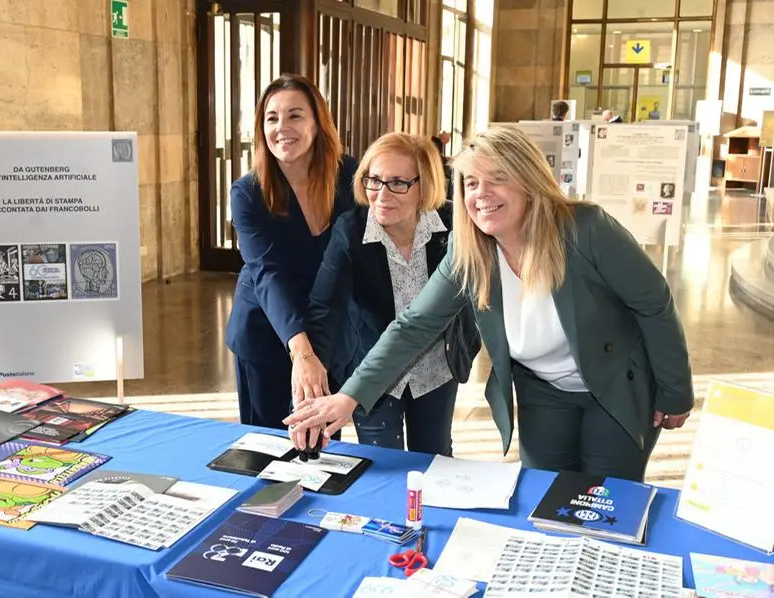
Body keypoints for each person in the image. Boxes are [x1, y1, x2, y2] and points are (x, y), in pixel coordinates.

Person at [285, 125, 695, 482]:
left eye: (497, 179)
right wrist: (349, 397)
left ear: (529, 183)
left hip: (614, 385)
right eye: (471, 183)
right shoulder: (469, 252)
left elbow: (654, 303)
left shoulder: (585, 230)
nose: (482, 195)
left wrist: (675, 392)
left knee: (603, 505)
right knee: (546, 499)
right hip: (543, 391)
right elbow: (413, 327)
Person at [295, 132, 480, 456]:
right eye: (374, 180)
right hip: (371, 368)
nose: (381, 194)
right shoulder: (350, 230)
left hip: (436, 370)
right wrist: (310, 381)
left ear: (424, 185)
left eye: (397, 183)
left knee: (434, 457)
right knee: (382, 460)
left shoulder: (454, 225)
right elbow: (324, 309)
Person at [225, 73, 359, 430]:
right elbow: (267, 273)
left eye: (295, 115)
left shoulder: (351, 176)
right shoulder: (248, 192)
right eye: (272, 118)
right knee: (268, 444)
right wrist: (302, 352)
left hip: (331, 327)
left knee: (325, 445)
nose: (282, 127)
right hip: (267, 328)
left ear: (318, 122)